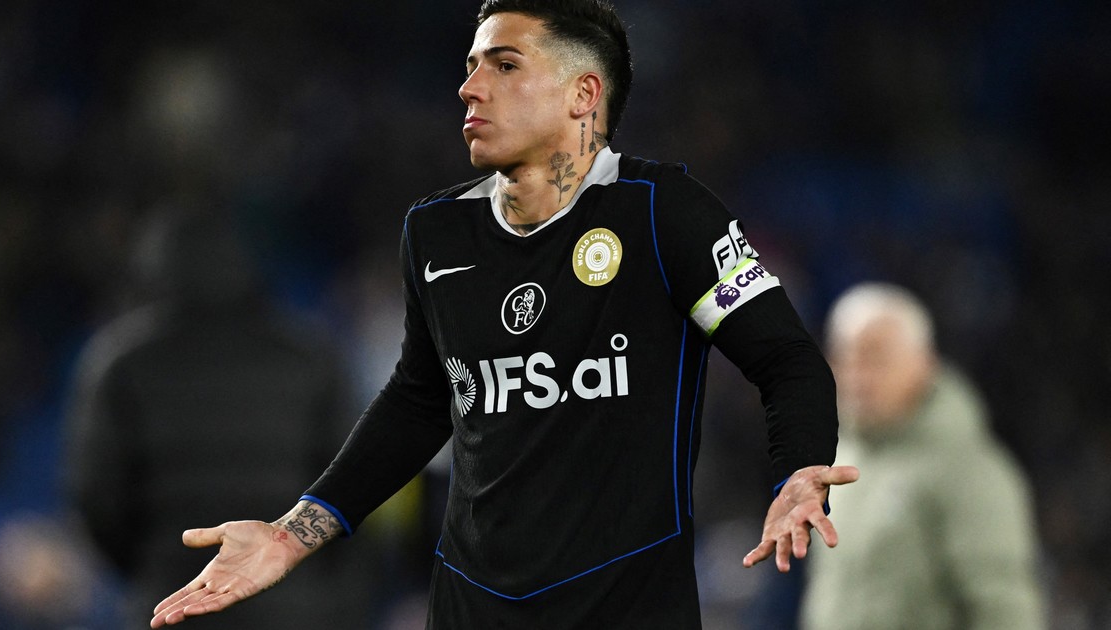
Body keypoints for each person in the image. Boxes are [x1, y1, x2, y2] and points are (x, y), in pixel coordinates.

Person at [150, 1, 859, 627]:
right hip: (472, 606)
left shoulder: (663, 212)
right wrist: (291, 534)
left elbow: (786, 359)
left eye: (504, 65)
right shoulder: (436, 233)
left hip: (624, 607)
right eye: (470, 66)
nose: (469, 86)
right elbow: (421, 399)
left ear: (583, 94)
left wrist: (799, 471)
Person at [66, 208, 375, 628]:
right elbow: (358, 486)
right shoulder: (313, 357)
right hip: (295, 607)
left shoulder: (120, 363)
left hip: (173, 602)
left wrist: (152, 571)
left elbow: (97, 499)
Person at [801, 282, 1045, 629]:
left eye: (875, 358)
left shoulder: (967, 470)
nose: (857, 376)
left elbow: (1004, 608)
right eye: (845, 358)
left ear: (924, 362)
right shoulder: (838, 457)